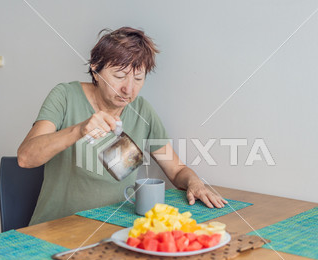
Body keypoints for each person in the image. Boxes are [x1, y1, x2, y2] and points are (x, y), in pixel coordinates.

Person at [18, 27, 227, 225]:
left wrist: (195, 183)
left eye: (138, 78)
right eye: (119, 76)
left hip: (113, 231)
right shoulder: (64, 96)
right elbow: (26, 158)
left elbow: (176, 169)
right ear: (95, 68)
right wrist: (79, 130)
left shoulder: (142, 111)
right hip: (54, 231)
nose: (128, 89)